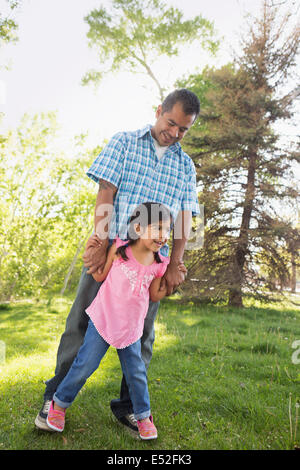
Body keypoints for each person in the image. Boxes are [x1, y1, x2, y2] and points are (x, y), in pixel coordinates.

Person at [35, 88, 201, 436]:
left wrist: (175, 263)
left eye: (183, 129)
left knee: (140, 337)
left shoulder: (185, 166)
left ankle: (130, 407)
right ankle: (55, 398)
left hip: (151, 263)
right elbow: (106, 192)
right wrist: (99, 240)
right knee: (80, 326)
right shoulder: (125, 143)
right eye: (171, 123)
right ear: (159, 111)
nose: (174, 133)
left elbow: (184, 219)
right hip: (113, 253)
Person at [46, 202, 186, 440]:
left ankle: (143, 416)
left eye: (167, 230)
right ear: (139, 228)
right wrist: (89, 252)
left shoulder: (160, 264)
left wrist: (175, 284)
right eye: (157, 228)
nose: (163, 236)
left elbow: (154, 296)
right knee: (84, 365)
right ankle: (58, 405)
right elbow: (100, 276)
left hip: (131, 329)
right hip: (103, 320)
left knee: (136, 374)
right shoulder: (120, 250)